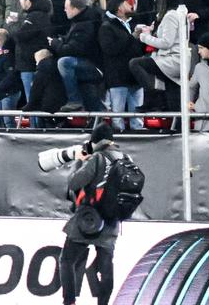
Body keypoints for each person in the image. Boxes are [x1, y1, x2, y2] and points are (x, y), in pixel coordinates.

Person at [57, 123, 131, 305]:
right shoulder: (126, 158)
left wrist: (79, 161)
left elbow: (74, 183)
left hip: (88, 219)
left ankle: (70, 302)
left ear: (95, 140)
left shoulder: (98, 158)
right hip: (112, 220)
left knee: (67, 260)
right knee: (105, 267)